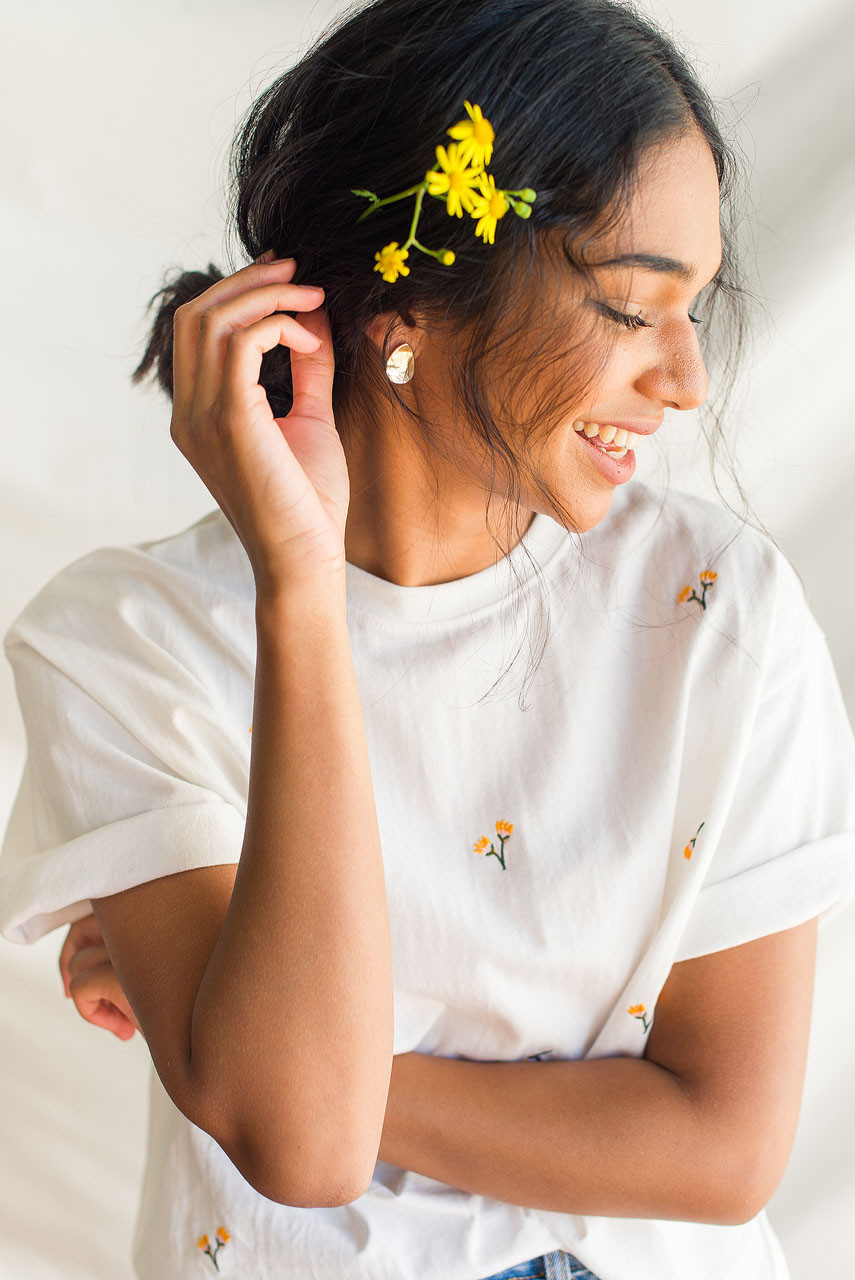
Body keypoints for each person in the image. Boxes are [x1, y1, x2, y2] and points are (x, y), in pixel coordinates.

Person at [1, 0, 854, 1277]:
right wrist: (299, 587)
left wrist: (272, 1049)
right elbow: (299, 1145)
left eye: (698, 309)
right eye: (633, 309)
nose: (687, 378)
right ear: (405, 310)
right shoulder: (131, 645)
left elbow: (720, 1148)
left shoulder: (719, 608)